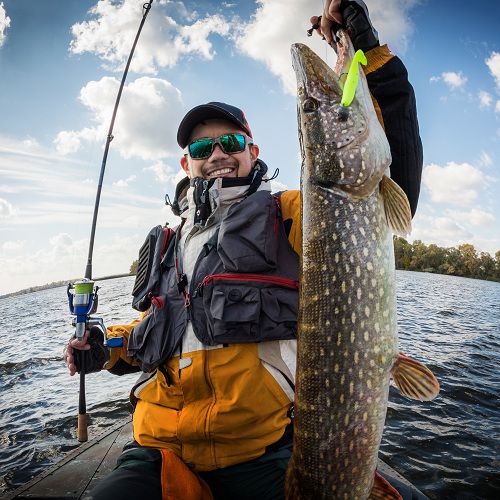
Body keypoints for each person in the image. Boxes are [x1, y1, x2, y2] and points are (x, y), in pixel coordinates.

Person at [64, 1, 423, 499]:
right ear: (186, 164)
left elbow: (388, 170)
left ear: (252, 152)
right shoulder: (166, 244)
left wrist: (366, 48)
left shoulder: (298, 212)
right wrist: (104, 348)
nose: (215, 155)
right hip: (158, 449)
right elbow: (157, 329)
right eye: (199, 149)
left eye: (229, 141)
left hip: (259, 452)